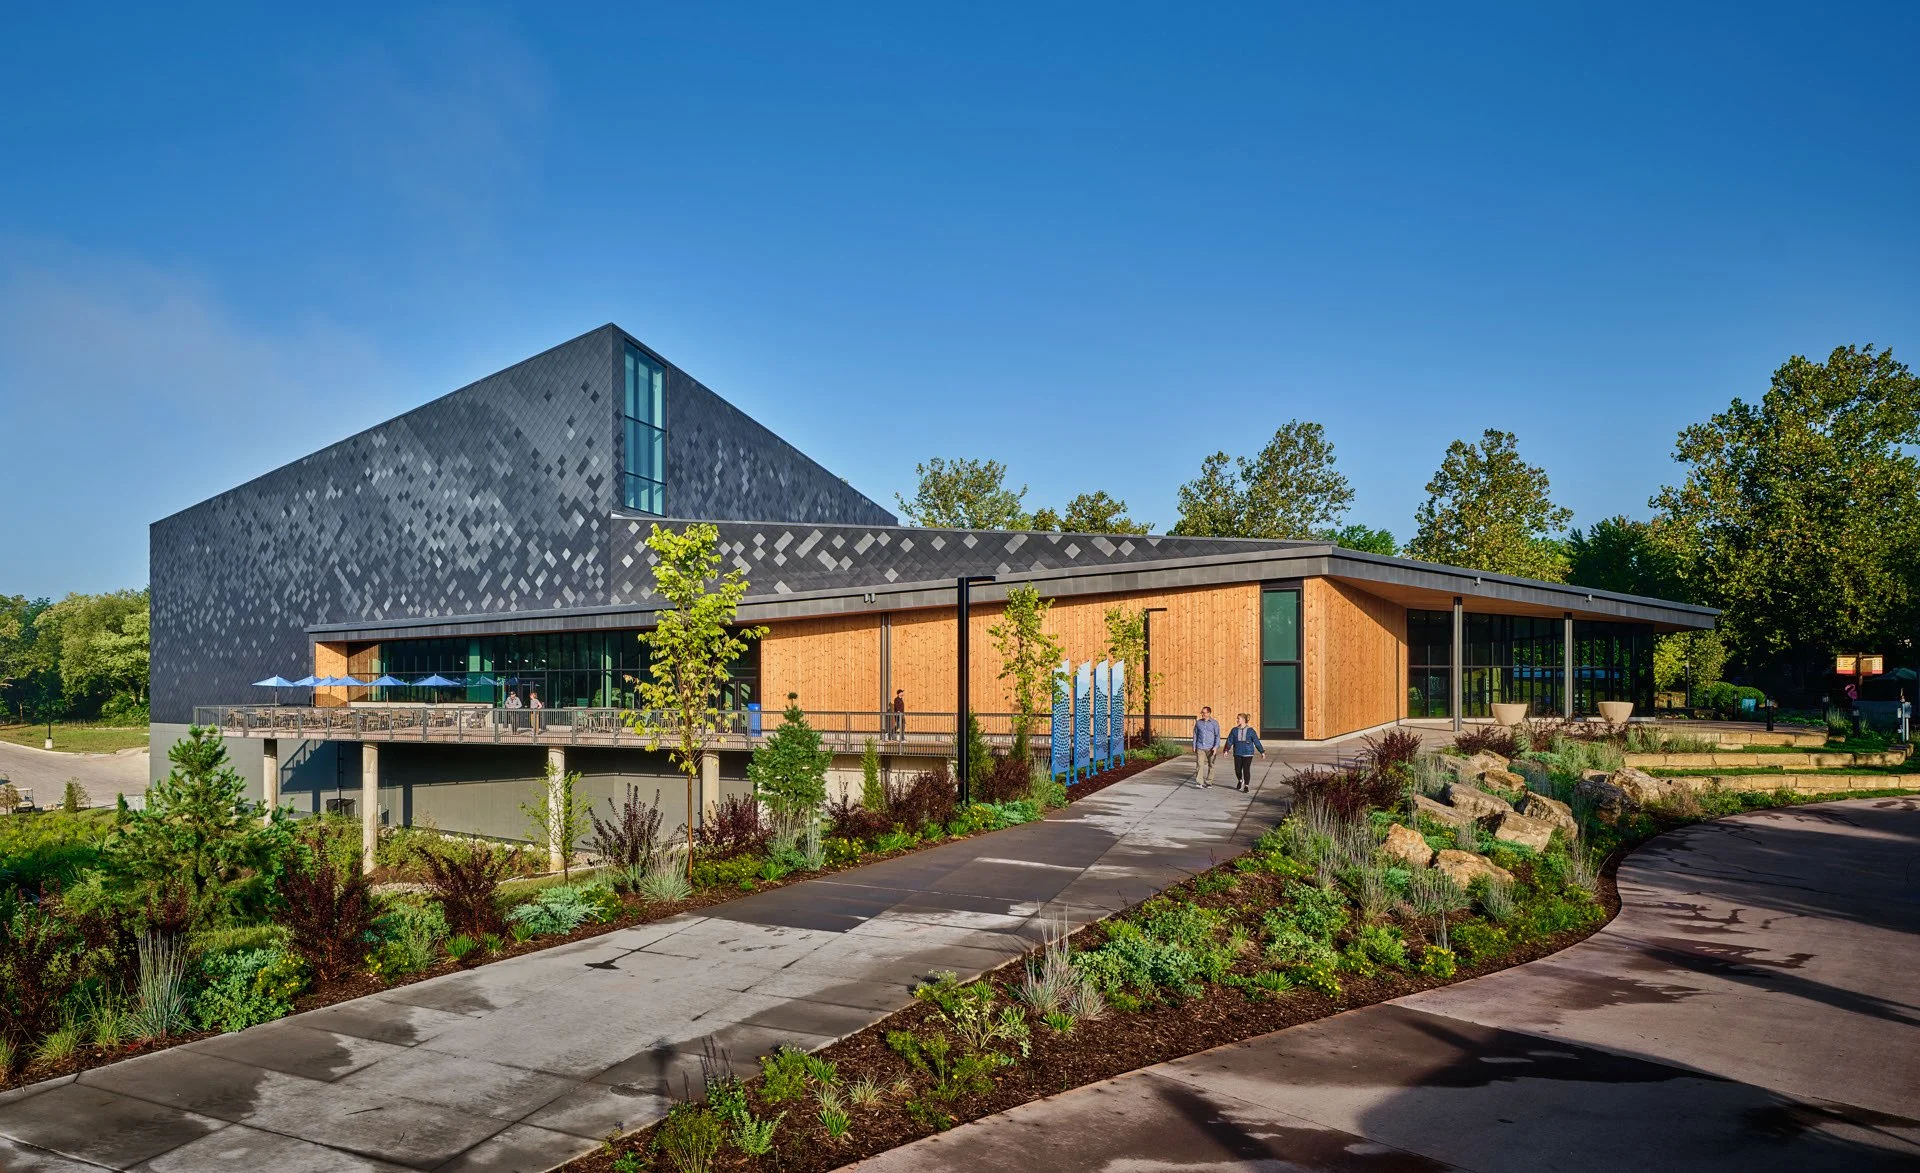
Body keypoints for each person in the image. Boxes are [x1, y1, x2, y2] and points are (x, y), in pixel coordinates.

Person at [1223, 712, 1265, 792]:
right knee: (1237, 770)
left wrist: (1262, 752)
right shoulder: (1234, 730)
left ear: (1243, 720)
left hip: (1248, 753)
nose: (1237, 720)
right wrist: (1226, 750)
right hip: (1237, 752)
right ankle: (1240, 780)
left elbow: (1256, 741)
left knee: (1246, 769)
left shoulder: (1251, 731)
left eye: (1238, 718)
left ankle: (1246, 785)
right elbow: (1229, 741)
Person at [1192, 706, 1221, 788]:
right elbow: (1195, 735)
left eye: (1204, 713)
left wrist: (1216, 747)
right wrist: (1194, 745)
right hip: (1200, 746)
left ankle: (1209, 782)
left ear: (1209, 713)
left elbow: (1217, 736)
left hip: (1211, 748)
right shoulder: (1198, 723)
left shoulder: (1214, 723)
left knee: (1211, 765)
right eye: (1202, 712)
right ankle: (1199, 782)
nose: (1202, 714)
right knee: (1199, 764)